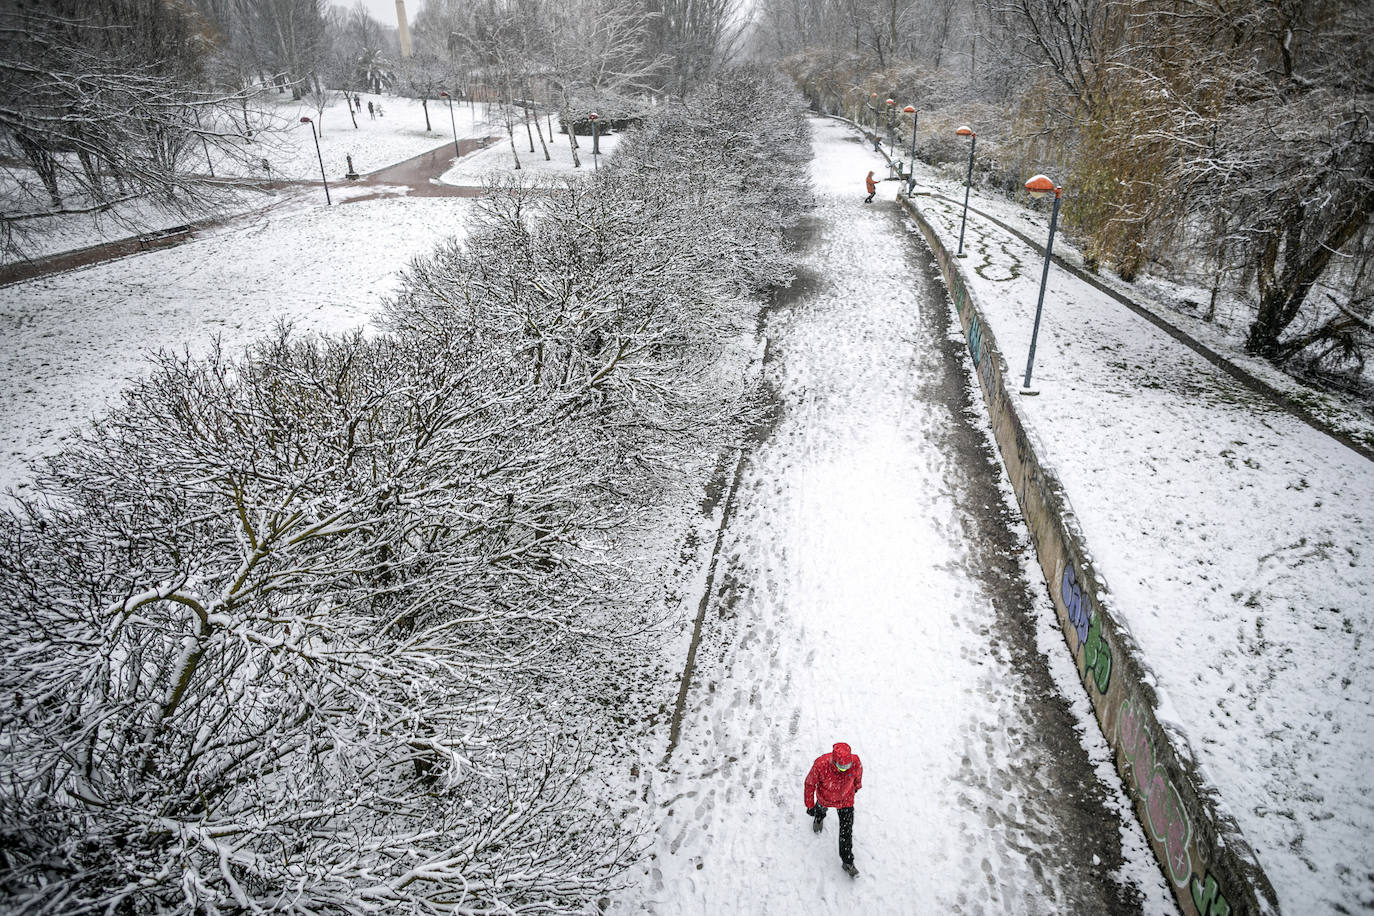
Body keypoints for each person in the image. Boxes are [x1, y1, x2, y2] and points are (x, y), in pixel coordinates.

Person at [804, 741, 863, 877]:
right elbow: (809, 784)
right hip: (825, 798)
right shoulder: (821, 765)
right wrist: (810, 805)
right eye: (841, 767)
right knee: (820, 810)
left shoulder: (855, 762)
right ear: (834, 761)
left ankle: (847, 861)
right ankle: (818, 818)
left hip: (846, 801)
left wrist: (857, 786)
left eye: (847, 766)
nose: (845, 769)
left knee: (846, 832)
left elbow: (858, 775)